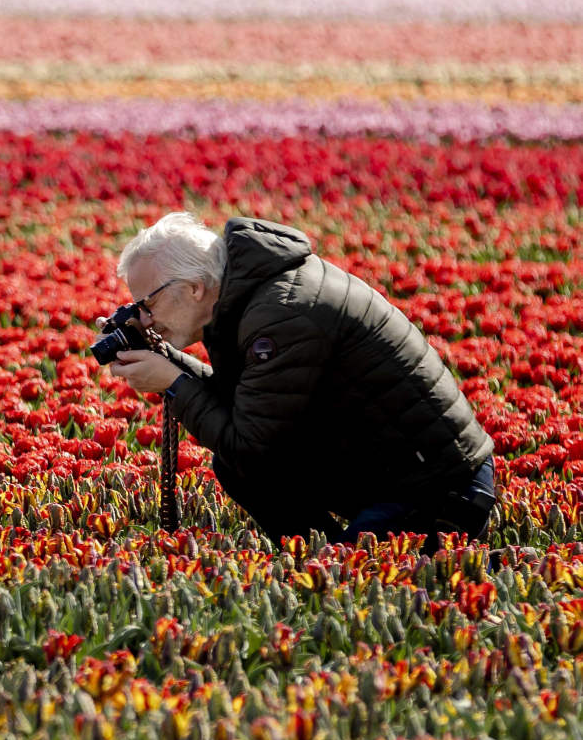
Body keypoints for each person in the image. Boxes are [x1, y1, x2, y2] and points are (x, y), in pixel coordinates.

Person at [103, 212, 496, 551]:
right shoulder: (253, 297)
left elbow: (248, 445)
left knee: (351, 587)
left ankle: (349, 560)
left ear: (193, 287)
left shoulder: (282, 315)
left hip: (437, 489)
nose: (147, 318)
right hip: (393, 473)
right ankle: (328, 556)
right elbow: (247, 411)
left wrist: (172, 381)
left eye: (147, 305)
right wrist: (164, 360)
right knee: (239, 470)